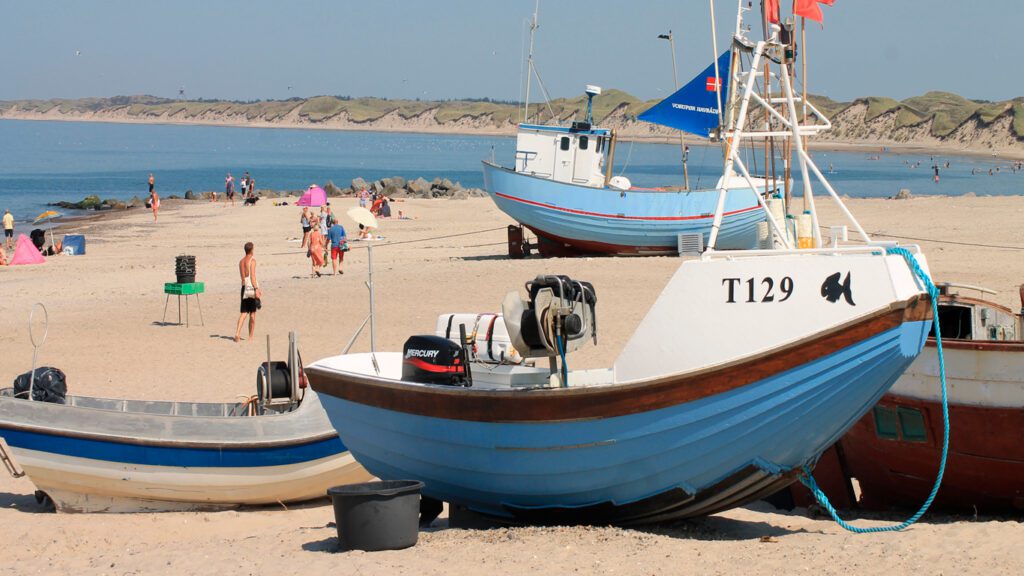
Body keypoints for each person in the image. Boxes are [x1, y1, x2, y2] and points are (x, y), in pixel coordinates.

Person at [234, 242, 261, 343]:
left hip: (244, 287)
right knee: (252, 314)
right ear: (251, 250)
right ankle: (250, 337)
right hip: (251, 288)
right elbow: (252, 276)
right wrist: (256, 288)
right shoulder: (252, 261)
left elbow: (243, 278)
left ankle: (237, 333)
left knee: (243, 312)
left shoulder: (241, 261)